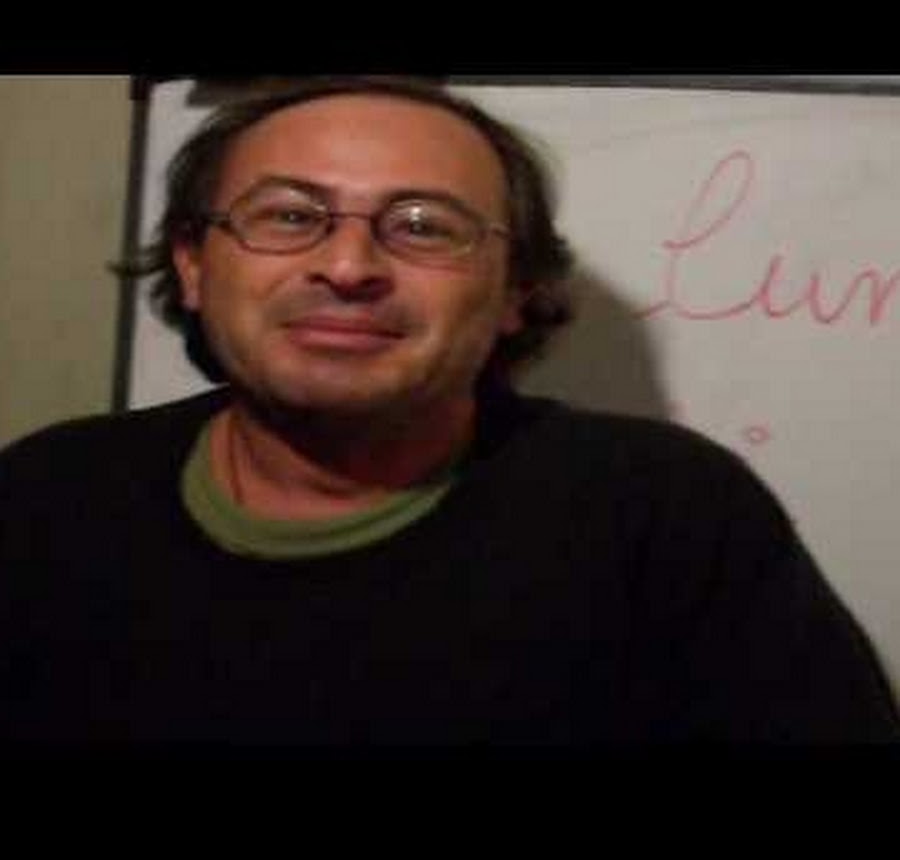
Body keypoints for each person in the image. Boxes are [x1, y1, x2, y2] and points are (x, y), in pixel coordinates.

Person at [0, 76, 897, 745]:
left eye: (425, 225)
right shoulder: (47, 496)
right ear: (195, 265)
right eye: (289, 216)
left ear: (514, 291)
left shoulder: (667, 516)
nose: (348, 267)